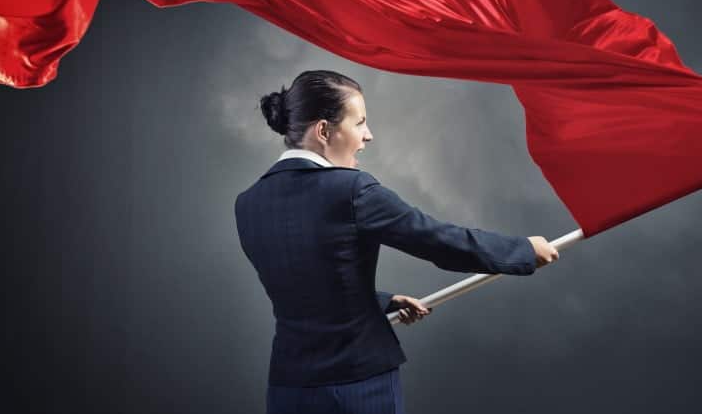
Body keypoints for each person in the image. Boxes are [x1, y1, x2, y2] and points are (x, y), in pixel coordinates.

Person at [235, 70, 559, 414]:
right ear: (324, 131)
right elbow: (438, 241)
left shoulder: (247, 203)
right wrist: (523, 250)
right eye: (359, 123)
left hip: (290, 387)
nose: (368, 136)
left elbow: (306, 286)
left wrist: (382, 301)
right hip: (358, 386)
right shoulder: (352, 190)